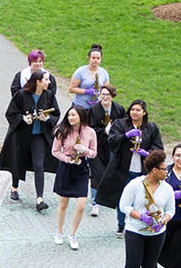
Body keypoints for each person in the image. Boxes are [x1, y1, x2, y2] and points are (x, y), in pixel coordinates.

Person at [115, 150, 175, 268]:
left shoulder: (167, 189)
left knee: (149, 266)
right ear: (155, 170)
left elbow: (171, 210)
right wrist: (141, 216)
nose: (167, 172)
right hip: (135, 230)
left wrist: (164, 220)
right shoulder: (135, 185)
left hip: (157, 233)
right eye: (164, 169)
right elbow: (124, 205)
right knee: (133, 264)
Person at [94, 99, 163, 238]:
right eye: (132, 109)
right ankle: (121, 225)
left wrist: (147, 154)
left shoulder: (151, 128)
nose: (134, 112)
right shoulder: (120, 124)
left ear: (144, 112)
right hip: (122, 169)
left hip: (142, 171)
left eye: (138, 110)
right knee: (123, 198)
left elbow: (158, 148)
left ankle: (139, 224)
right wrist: (125, 136)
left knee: (142, 199)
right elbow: (111, 142)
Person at [0, 70, 60, 211]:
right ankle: (14, 187)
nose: (49, 82)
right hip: (22, 135)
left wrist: (47, 119)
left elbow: (56, 113)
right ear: (38, 82)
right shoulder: (21, 95)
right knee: (18, 160)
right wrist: (22, 119)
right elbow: (11, 112)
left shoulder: (49, 95)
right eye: (46, 80)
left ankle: (39, 198)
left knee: (39, 165)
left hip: (39, 136)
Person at [51, 106, 97, 250]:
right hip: (67, 166)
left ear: (81, 116)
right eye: (69, 115)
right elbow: (55, 151)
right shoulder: (62, 131)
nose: (71, 118)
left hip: (81, 167)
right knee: (63, 203)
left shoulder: (90, 132)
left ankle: (73, 234)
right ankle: (59, 232)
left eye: (74, 115)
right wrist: (67, 159)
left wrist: (85, 150)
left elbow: (94, 153)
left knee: (81, 205)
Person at [87, 83, 125, 217]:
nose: (105, 97)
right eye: (102, 94)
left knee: (111, 172)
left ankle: (109, 199)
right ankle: (95, 202)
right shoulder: (94, 110)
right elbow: (90, 129)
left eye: (107, 95)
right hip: (97, 146)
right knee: (97, 174)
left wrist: (114, 132)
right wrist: (104, 131)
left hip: (112, 147)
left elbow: (124, 125)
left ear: (112, 96)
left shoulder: (119, 109)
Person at [68, 43, 109, 109]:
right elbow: (71, 89)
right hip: (80, 107)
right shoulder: (80, 71)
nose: (95, 60)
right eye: (93, 58)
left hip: (96, 108)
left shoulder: (104, 73)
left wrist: (100, 98)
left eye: (98, 58)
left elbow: (107, 90)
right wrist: (86, 91)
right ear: (89, 58)